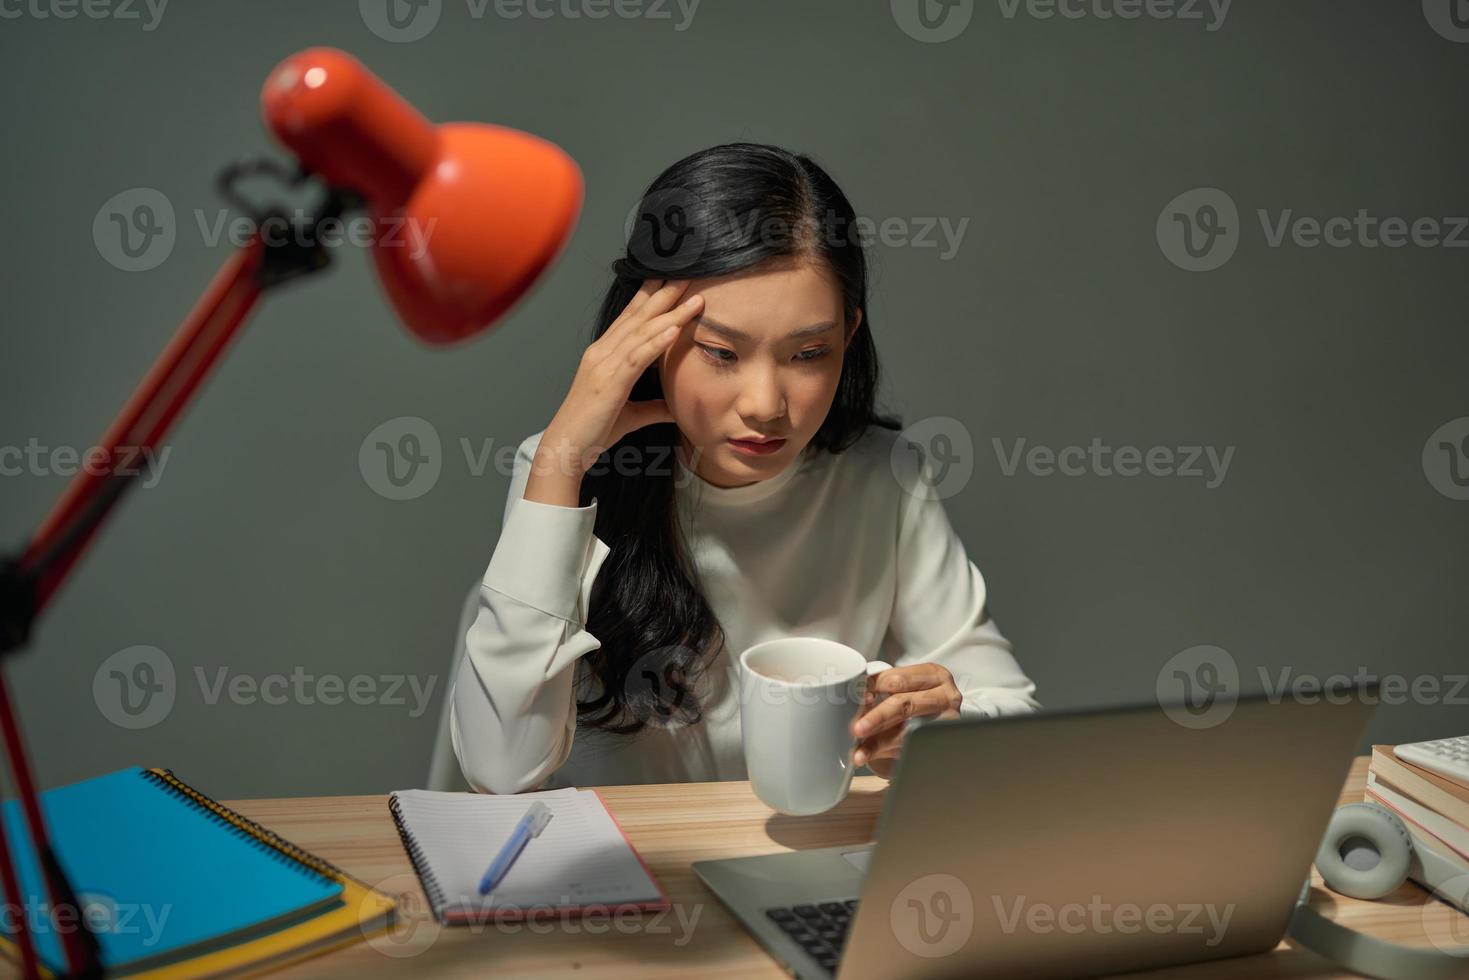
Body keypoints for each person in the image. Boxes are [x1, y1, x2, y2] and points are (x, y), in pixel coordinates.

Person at [449, 142, 1038, 795]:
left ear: (848, 335)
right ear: (645, 337)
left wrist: (939, 727)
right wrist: (559, 464)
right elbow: (498, 769)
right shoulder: (563, 474)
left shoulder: (881, 478)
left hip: (794, 873)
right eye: (722, 353)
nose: (765, 406)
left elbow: (1010, 716)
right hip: (624, 883)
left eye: (808, 353)